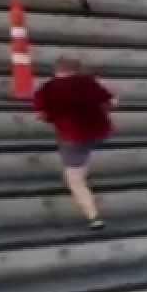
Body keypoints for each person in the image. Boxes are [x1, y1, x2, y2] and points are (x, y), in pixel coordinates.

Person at [33, 57, 115, 230]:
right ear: (77, 70)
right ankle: (82, 168)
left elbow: (42, 115)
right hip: (99, 132)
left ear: (56, 70)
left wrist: (56, 118)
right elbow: (111, 102)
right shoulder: (89, 82)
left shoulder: (47, 88)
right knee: (82, 157)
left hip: (73, 137)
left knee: (74, 180)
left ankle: (94, 218)